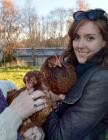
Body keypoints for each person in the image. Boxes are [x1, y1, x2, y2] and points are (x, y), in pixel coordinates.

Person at [42, 8, 108, 140]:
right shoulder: (73, 68)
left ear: (104, 42)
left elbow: (59, 136)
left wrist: (49, 101)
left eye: (90, 38)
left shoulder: (102, 79)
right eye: (76, 37)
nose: (80, 45)